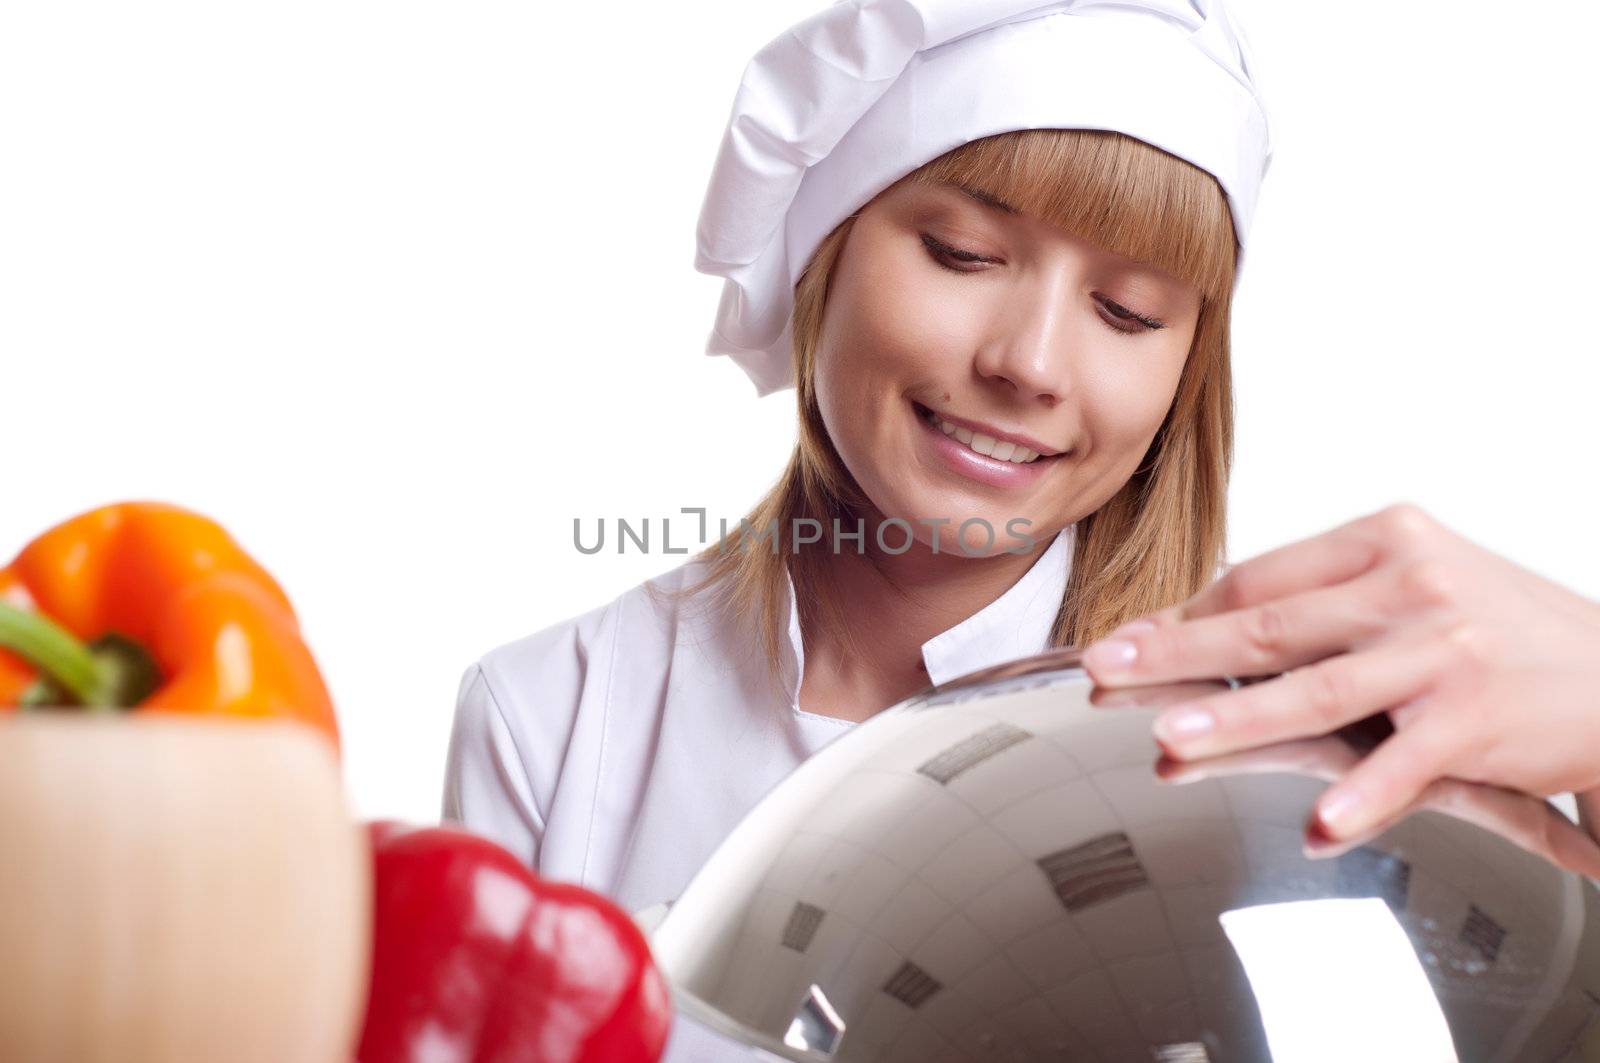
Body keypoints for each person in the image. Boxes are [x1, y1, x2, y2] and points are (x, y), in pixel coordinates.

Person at [443, 0, 1265, 1055]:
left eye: (1129, 313)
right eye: (964, 253)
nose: (1031, 362)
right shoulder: (550, 723)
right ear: (819, 250)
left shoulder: (1272, 743)